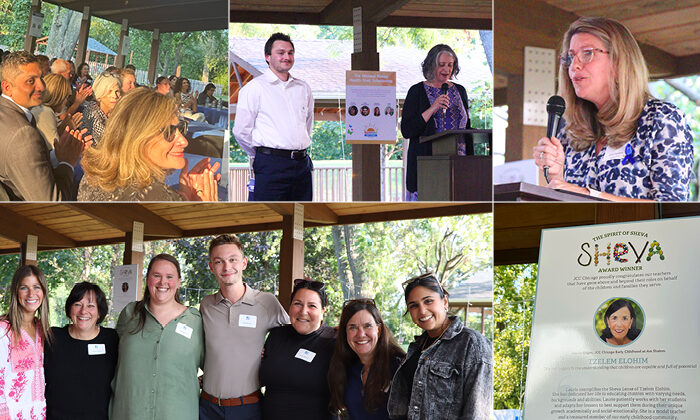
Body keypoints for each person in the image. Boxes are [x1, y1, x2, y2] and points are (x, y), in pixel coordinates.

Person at [533, 17, 695, 201]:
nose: (574, 65)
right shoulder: (568, 130)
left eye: (587, 53)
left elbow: (672, 209)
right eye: (570, 57)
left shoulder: (661, 119)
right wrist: (556, 178)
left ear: (619, 62)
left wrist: (589, 194)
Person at [199, 234, 289, 420]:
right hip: (207, 408)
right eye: (219, 261)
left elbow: (294, 335)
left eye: (233, 260)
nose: (227, 267)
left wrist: (269, 352)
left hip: (247, 408)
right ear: (211, 267)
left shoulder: (266, 302)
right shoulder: (206, 305)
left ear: (244, 263)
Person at [78, 87, 220, 201]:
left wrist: (184, 197)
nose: (184, 141)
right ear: (139, 138)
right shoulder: (154, 194)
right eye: (169, 131)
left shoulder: (93, 176)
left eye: (181, 128)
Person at [110, 254, 204, 420]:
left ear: (179, 282)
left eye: (169, 277)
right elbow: (110, 360)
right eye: (157, 276)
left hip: (178, 414)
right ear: (147, 280)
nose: (163, 283)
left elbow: (214, 363)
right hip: (130, 413)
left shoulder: (195, 320)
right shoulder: (130, 314)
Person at [388, 273, 492, 420]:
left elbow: (477, 414)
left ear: (445, 301)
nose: (422, 311)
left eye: (428, 301)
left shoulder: (472, 344)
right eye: (414, 305)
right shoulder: (416, 347)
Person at [233, 32, 314, 201]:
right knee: (268, 216)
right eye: (281, 52)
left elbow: (307, 125)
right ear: (268, 56)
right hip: (271, 164)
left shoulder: (303, 88)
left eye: (290, 52)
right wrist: (261, 154)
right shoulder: (254, 88)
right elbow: (241, 132)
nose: (287, 56)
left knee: (301, 215)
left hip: (302, 164)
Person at [0, 51, 86, 201]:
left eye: (41, 78)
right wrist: (68, 162)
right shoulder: (23, 133)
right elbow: (51, 203)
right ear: (7, 87)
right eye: (30, 81)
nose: (41, 86)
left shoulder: (8, 113)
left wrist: (55, 156)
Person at [401, 44, 471, 201]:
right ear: (432, 65)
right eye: (442, 65)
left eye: (450, 65)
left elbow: (466, 126)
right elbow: (407, 130)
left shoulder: (460, 90)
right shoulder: (416, 91)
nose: (446, 69)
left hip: (458, 165)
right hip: (429, 166)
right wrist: (433, 108)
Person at [259, 279, 336, 420]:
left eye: (312, 306)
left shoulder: (334, 341)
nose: (303, 311)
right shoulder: (276, 335)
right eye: (297, 304)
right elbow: (260, 378)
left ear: (323, 310)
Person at [44, 282, 118, 419]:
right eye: (77, 304)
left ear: (99, 312)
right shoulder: (52, 337)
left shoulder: (112, 340)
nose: (83, 311)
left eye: (91, 306)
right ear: (69, 309)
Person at [328, 299, 406, 420]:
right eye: (352, 327)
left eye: (367, 326)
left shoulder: (399, 366)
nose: (361, 334)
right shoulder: (347, 367)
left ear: (379, 330)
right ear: (345, 333)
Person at [0, 265, 52, 418]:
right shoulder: (3, 331)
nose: (31, 294)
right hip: (11, 414)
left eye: (37, 287)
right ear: (16, 292)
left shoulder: (42, 329)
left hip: (39, 412)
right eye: (24, 288)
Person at [31, 73, 83, 150]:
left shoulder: (43, 109)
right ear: (58, 97)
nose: (66, 102)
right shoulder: (45, 112)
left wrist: (63, 128)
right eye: (66, 97)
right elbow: (55, 150)